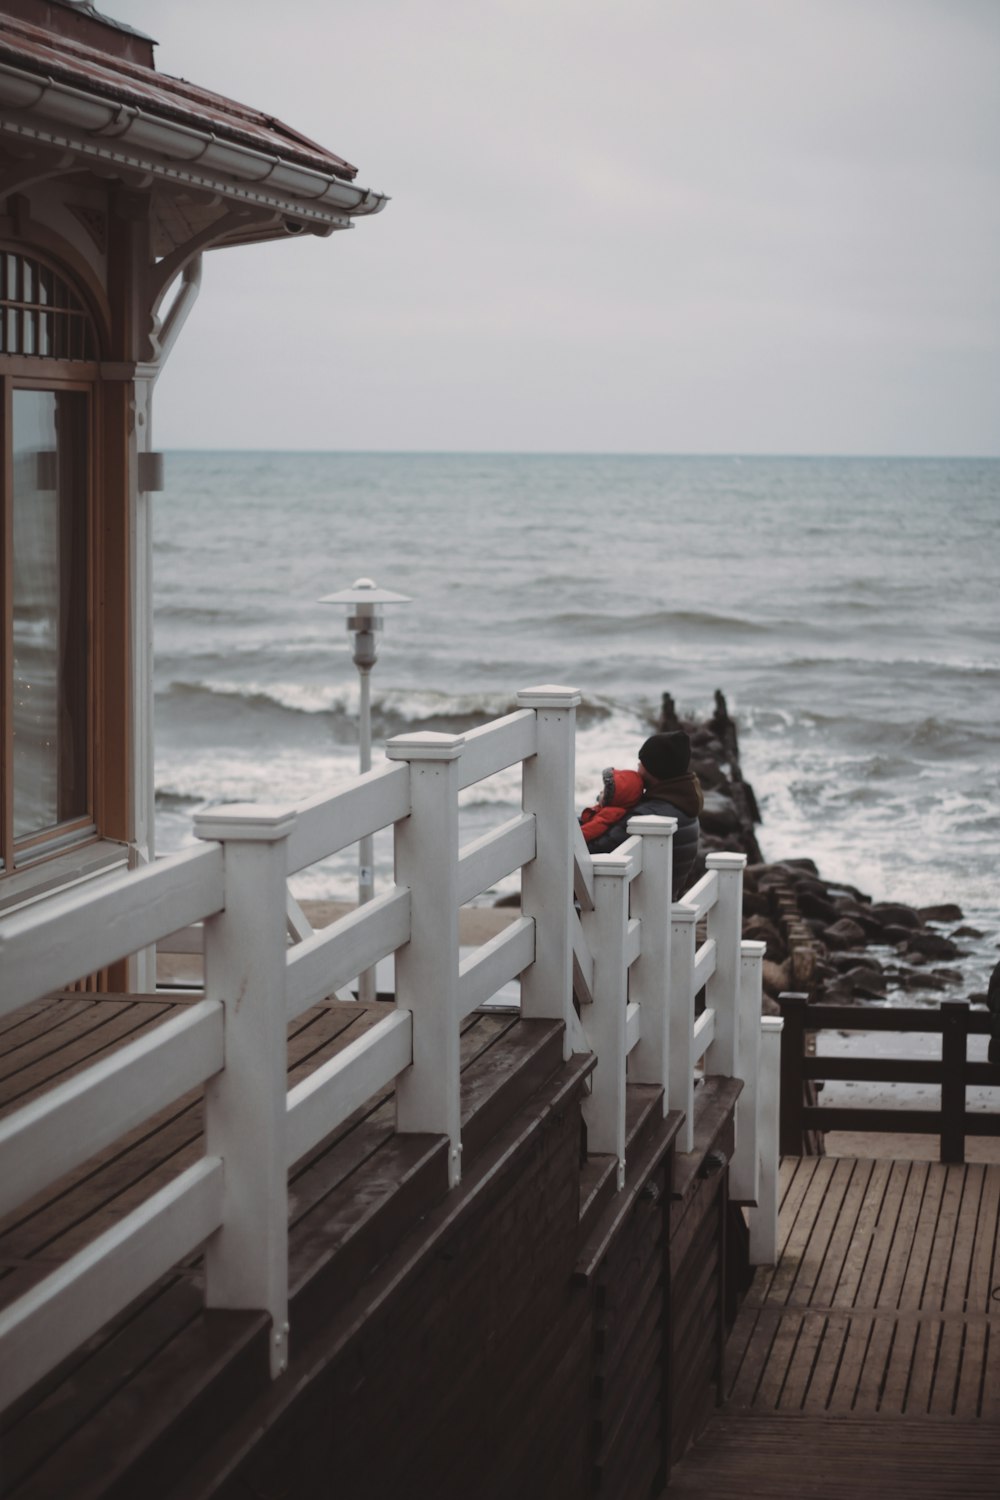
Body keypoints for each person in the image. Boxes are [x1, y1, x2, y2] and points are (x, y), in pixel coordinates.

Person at [585, 730, 703, 896]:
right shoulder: (683, 803)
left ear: (655, 768)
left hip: (632, 906)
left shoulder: (649, 815)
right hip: (659, 899)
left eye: (641, 763)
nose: (638, 767)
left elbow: (596, 852)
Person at [579, 767, 644, 846]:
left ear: (614, 797)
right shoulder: (616, 809)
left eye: (605, 790)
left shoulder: (609, 814)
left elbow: (584, 834)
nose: (601, 791)